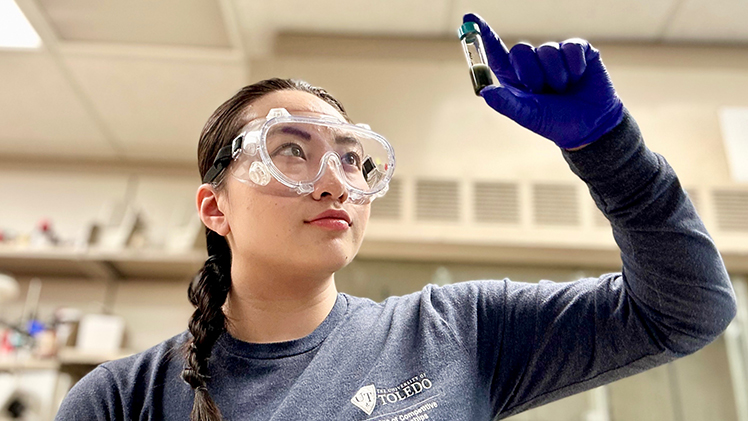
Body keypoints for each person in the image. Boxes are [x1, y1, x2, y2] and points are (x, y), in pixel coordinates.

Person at [55, 13, 737, 421]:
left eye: (353, 159)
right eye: (291, 151)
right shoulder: (121, 399)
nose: (336, 182)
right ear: (215, 207)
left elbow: (686, 311)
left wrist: (608, 147)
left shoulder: (459, 333)